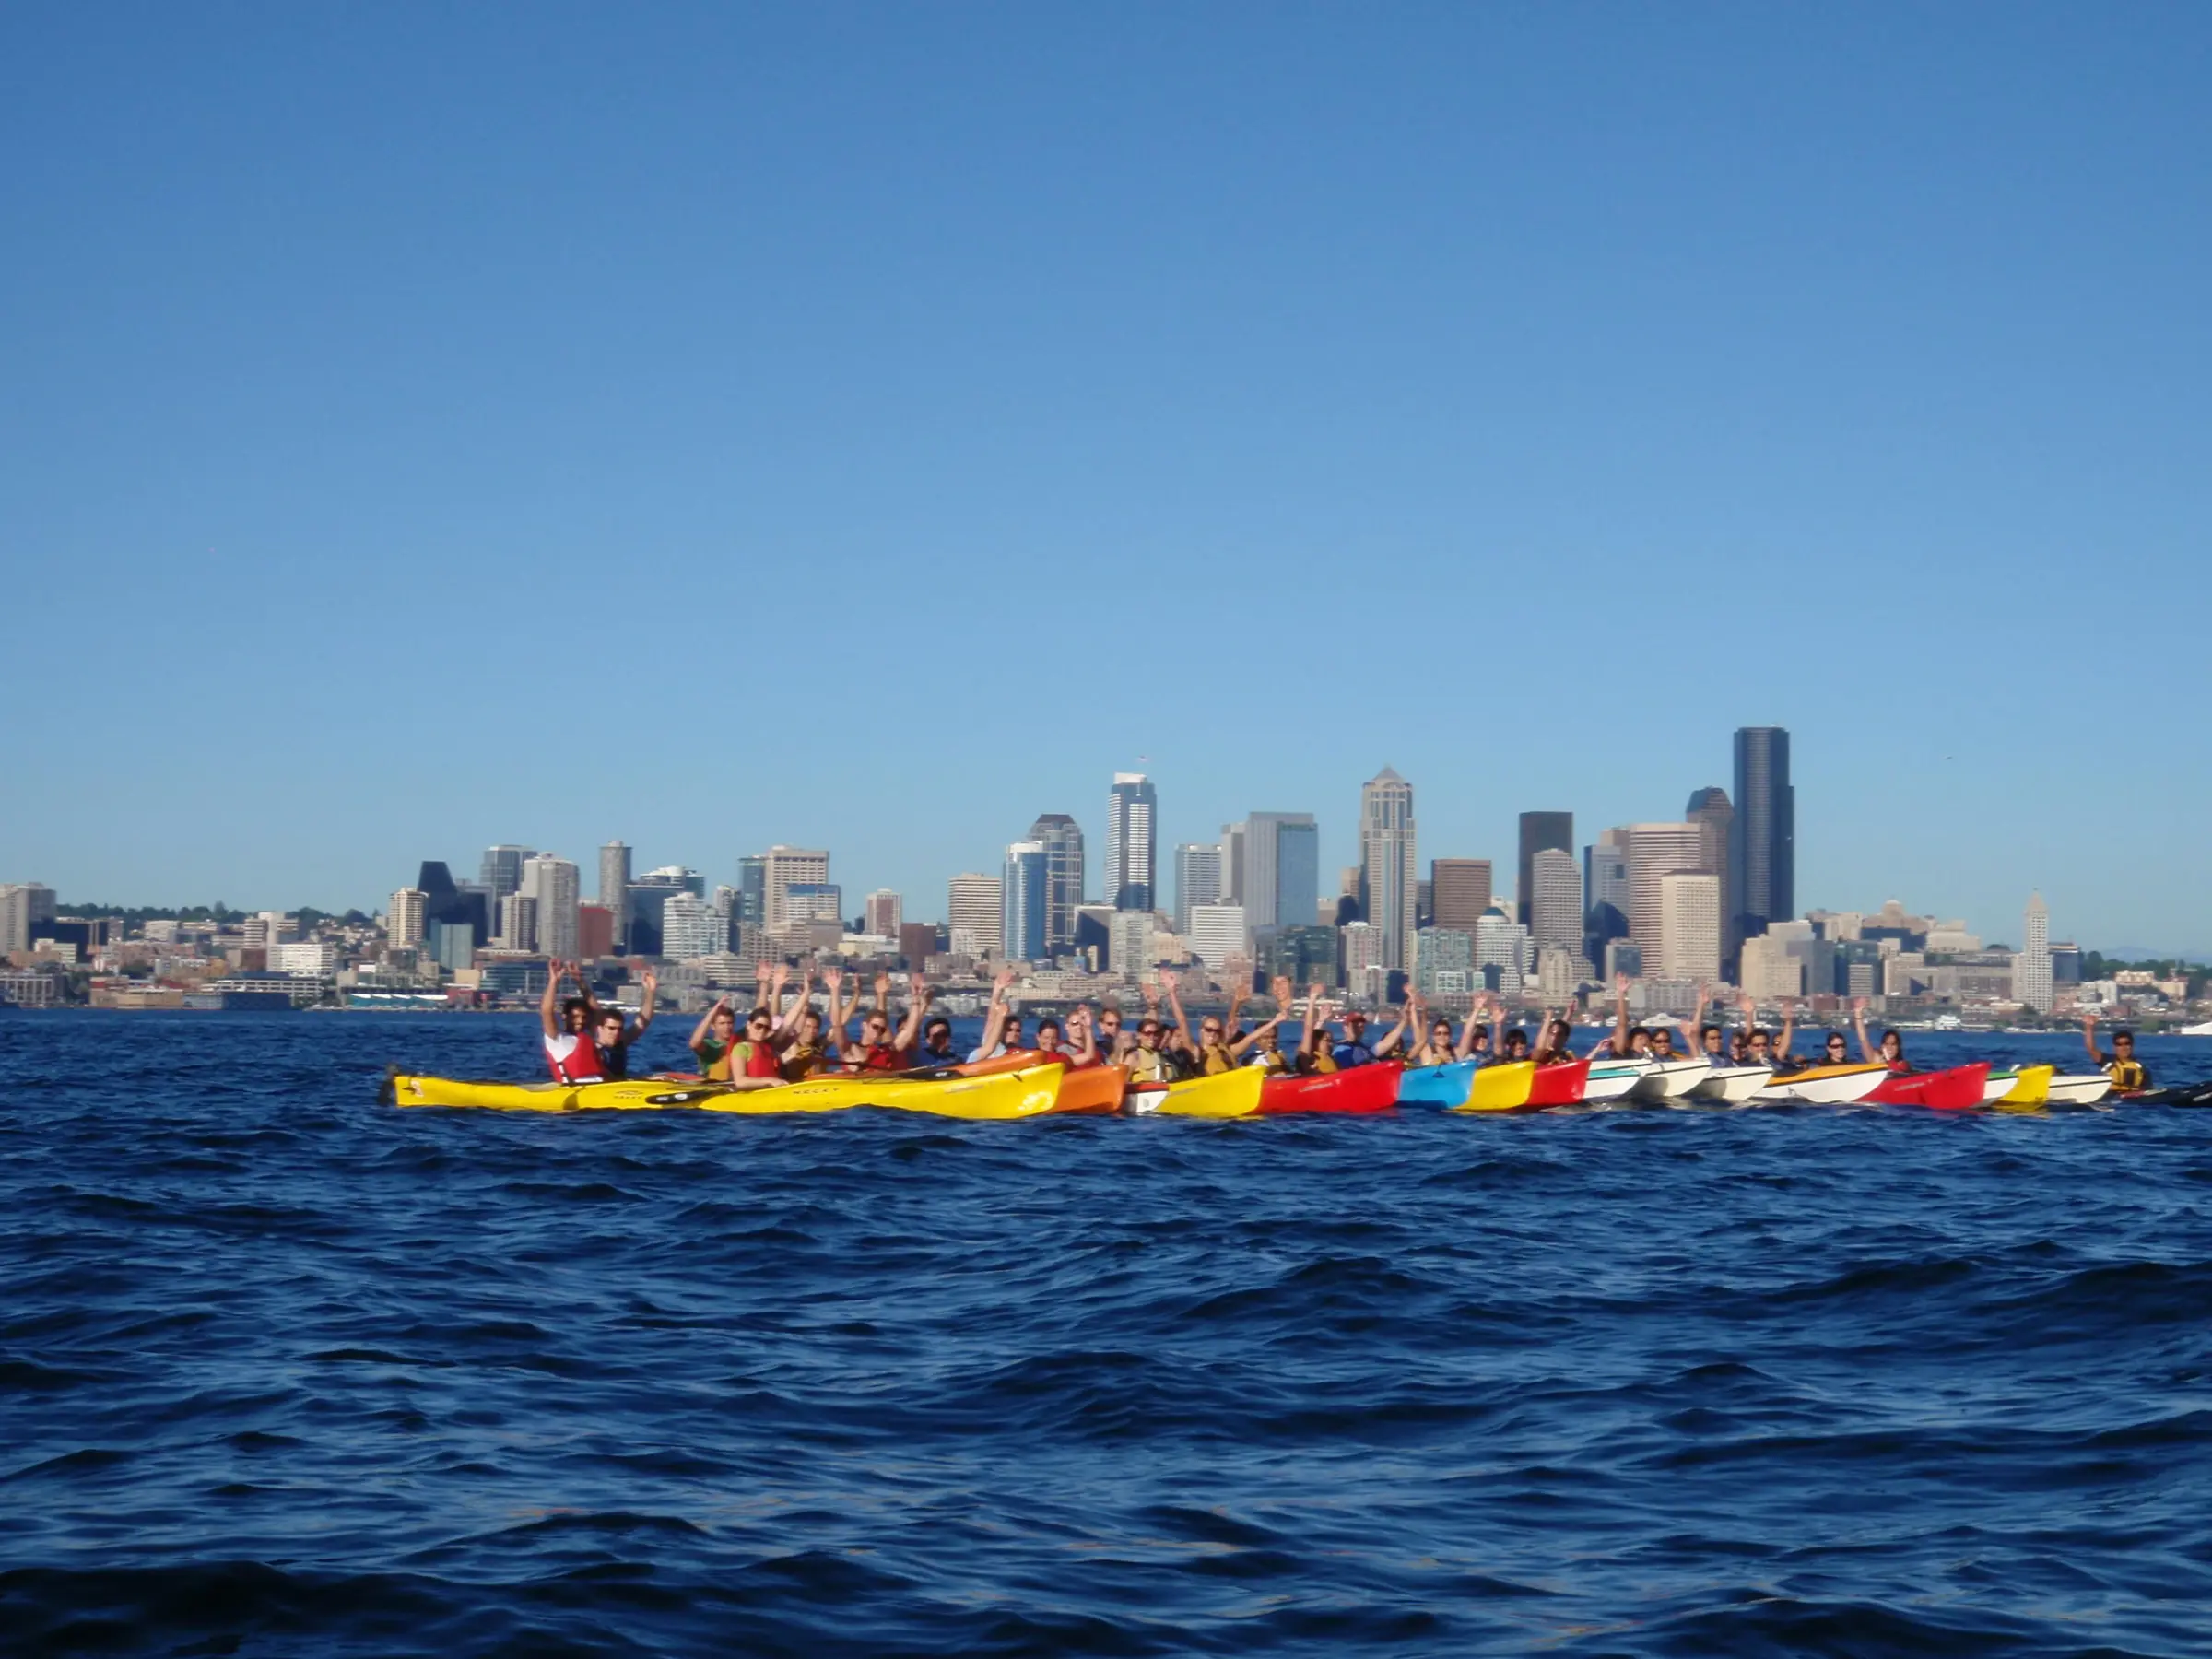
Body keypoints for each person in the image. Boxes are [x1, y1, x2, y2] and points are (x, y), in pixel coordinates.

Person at [539, 961, 656, 1082]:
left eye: (619, 1029)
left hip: (615, 1089)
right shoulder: (558, 1038)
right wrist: (555, 981)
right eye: (611, 1028)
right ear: (599, 1028)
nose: (579, 1021)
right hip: (584, 1091)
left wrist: (650, 991)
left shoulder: (616, 1042)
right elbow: (546, 1011)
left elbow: (643, 1022)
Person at [846, 972, 935, 1071]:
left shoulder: (890, 1049)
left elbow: (910, 1029)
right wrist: (879, 994)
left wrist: (916, 998)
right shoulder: (851, 1048)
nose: (878, 1031)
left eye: (882, 1029)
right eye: (875, 1027)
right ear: (864, 1026)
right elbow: (837, 1027)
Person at [2082, 1011, 2152, 1092]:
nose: (2123, 1047)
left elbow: (2149, 1091)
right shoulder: (2107, 1061)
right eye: (2119, 1044)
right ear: (2115, 1047)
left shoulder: (2141, 1068)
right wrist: (2089, 1026)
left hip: (2132, 1100)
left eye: (2127, 1044)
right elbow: (2091, 1048)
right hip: (2109, 1098)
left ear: (2132, 1045)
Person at [687, 995, 740, 1080]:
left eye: (729, 1023)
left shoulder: (740, 1043)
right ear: (713, 1026)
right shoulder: (710, 1045)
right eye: (722, 1023)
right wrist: (714, 1010)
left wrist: (764, 985)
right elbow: (694, 1044)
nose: (727, 1027)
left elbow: (756, 1020)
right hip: (715, 1084)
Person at [1852, 996, 1908, 1072]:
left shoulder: (1902, 1064)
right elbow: (1863, 1040)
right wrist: (1858, 1013)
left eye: (1893, 1044)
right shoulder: (1876, 1059)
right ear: (1882, 1046)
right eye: (1887, 1044)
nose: (1890, 1048)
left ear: (1898, 1046)